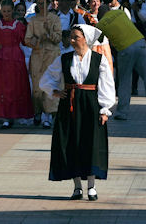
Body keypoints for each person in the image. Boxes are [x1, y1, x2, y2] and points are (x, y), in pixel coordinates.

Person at [40, 25, 115, 201]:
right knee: (71, 143)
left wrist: (105, 109)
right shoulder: (64, 59)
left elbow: (107, 84)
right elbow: (46, 79)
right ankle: (77, 187)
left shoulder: (99, 59)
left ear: (85, 39)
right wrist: (55, 92)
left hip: (91, 105)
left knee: (90, 143)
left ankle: (91, 187)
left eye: (76, 37)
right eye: (71, 37)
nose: (72, 40)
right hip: (70, 105)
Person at [96, 5, 146, 121]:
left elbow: (99, 41)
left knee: (124, 80)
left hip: (124, 49)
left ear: (99, 15)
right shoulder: (120, 13)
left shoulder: (100, 24)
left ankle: (122, 112)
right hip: (140, 42)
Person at [0, 0, 33, 128]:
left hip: (16, 58)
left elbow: (26, 41)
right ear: (1, 11)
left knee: (15, 87)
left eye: (9, 11)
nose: (6, 14)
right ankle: (3, 115)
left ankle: (14, 114)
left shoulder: (19, 25)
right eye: (4, 11)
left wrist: (33, 34)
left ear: (12, 11)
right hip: (1, 59)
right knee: (1, 87)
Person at [24, 0, 63, 128]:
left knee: (50, 84)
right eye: (39, 3)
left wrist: (49, 32)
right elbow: (27, 39)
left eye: (44, 3)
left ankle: (49, 114)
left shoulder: (55, 19)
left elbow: (58, 38)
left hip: (52, 55)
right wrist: (36, 40)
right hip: (38, 55)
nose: (41, 5)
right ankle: (37, 111)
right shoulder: (33, 20)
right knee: (37, 85)